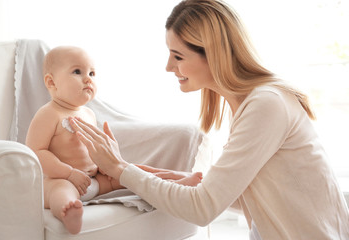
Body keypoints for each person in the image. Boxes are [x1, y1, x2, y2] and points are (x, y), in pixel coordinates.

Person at [69, 0, 349, 239]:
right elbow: (275, 196)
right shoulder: (252, 103)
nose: (169, 67)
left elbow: (201, 210)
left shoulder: (267, 105)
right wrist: (194, 183)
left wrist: (119, 168)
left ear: (214, 56)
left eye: (178, 56)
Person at [26, 46, 203, 235]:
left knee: (133, 172)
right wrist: (68, 174)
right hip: (63, 180)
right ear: (51, 82)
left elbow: (90, 150)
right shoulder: (48, 114)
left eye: (92, 73)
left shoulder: (88, 113)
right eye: (77, 72)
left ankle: (174, 181)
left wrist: (103, 166)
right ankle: (69, 211)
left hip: (95, 180)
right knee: (59, 191)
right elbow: (35, 152)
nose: (88, 79)